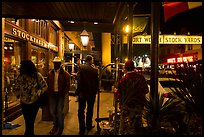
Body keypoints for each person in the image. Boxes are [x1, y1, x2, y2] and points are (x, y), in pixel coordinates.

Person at [13, 60, 48, 135]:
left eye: (22, 66)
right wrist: (19, 95)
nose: (21, 68)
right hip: (24, 102)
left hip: (34, 102)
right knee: (27, 120)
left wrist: (38, 93)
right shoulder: (20, 77)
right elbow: (16, 88)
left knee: (31, 121)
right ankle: (29, 133)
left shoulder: (36, 75)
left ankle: (28, 133)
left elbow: (44, 86)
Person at [115, 60, 149, 129]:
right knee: (137, 123)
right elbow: (146, 90)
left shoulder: (124, 79)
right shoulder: (141, 77)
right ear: (134, 68)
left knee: (127, 125)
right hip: (139, 105)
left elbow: (119, 93)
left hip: (127, 105)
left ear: (125, 68)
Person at [46, 56, 71, 135]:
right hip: (52, 94)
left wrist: (64, 93)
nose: (56, 65)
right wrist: (49, 92)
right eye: (55, 63)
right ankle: (55, 125)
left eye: (57, 63)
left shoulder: (65, 74)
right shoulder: (50, 73)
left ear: (60, 64)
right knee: (52, 111)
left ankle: (60, 128)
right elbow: (48, 83)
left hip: (60, 94)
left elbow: (68, 85)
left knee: (59, 112)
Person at [76, 55, 99, 135]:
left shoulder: (81, 68)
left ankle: (82, 129)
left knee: (81, 111)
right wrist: (95, 92)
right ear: (90, 60)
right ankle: (88, 125)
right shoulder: (95, 70)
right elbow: (97, 82)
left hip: (82, 93)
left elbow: (79, 80)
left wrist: (79, 91)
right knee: (90, 110)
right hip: (91, 94)